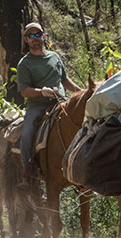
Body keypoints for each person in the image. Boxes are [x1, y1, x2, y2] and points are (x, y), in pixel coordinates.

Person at [16, 22, 82, 188]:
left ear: (43, 36)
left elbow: (65, 79)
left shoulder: (54, 57)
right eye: (31, 36)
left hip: (61, 101)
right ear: (26, 40)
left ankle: (87, 167)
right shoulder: (25, 64)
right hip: (38, 105)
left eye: (38, 34)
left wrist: (80, 92)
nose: (35, 38)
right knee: (27, 133)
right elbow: (24, 91)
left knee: (84, 124)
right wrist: (41, 91)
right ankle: (27, 172)